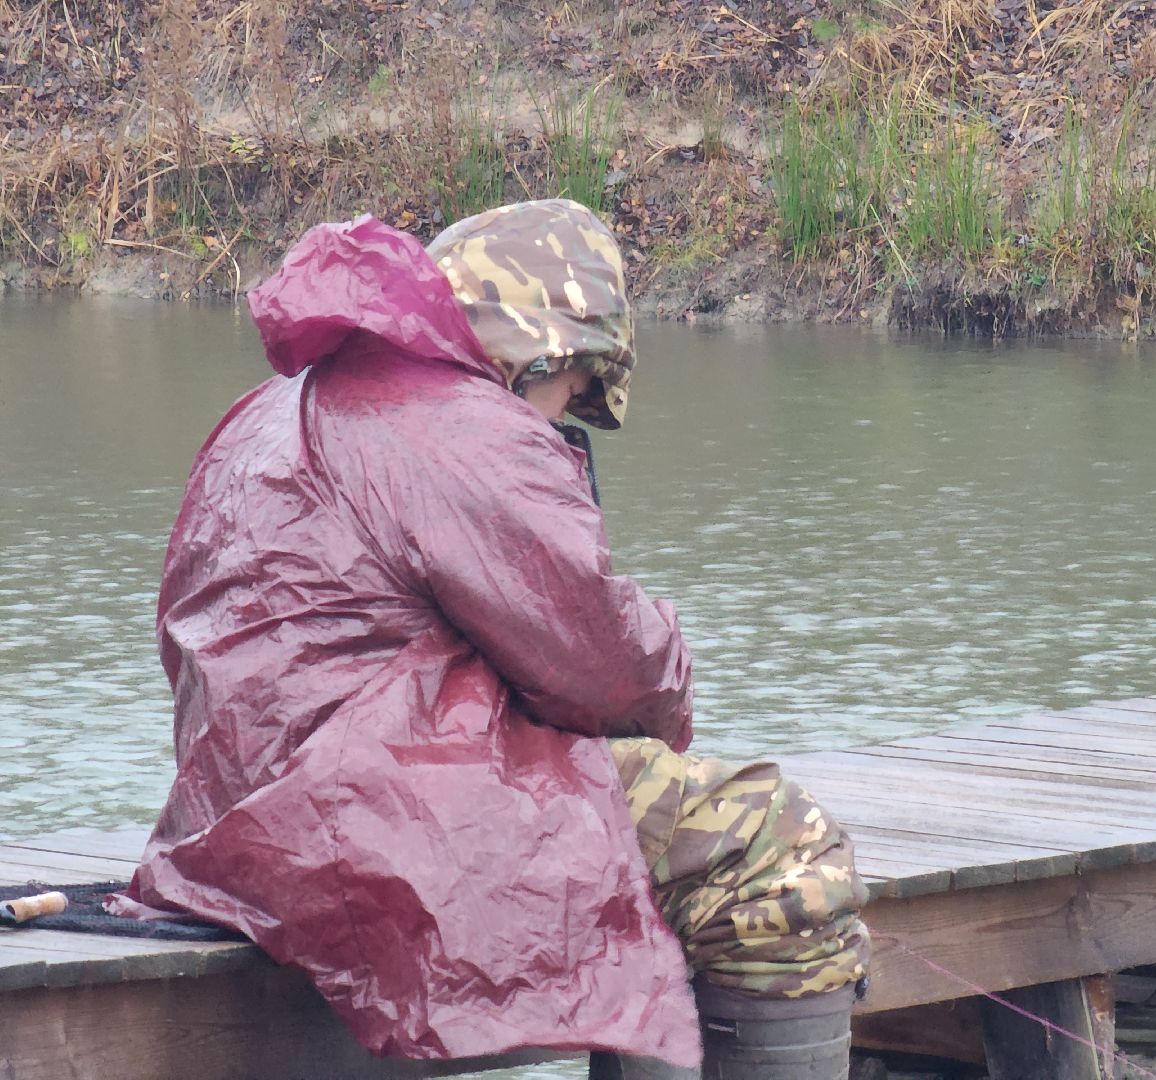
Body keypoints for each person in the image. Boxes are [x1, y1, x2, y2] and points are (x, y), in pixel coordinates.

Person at [110, 199, 870, 1078]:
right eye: (572, 394)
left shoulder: (267, 412)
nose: (560, 421)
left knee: (659, 841)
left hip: (233, 825)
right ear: (535, 354)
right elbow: (612, 671)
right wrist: (664, 663)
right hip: (377, 819)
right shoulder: (459, 422)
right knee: (773, 844)